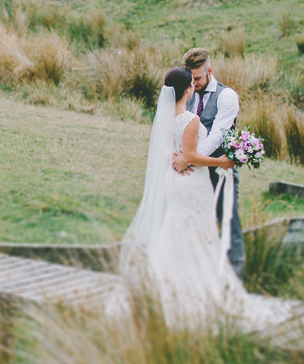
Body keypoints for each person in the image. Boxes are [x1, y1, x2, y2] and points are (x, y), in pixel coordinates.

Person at [111, 67, 288, 331]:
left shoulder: (165, 118)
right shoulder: (190, 120)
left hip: (174, 182)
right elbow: (192, 156)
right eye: (192, 84)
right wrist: (221, 162)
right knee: (196, 235)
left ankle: (164, 291)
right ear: (187, 90)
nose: (195, 86)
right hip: (192, 183)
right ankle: (194, 296)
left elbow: (174, 153)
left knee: (176, 233)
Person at [172, 48, 245, 278]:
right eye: (190, 79)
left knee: (227, 217)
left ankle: (235, 272)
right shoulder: (187, 92)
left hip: (219, 168)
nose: (194, 83)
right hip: (191, 174)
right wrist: (184, 159)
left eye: (198, 78)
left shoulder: (227, 96)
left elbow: (217, 135)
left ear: (210, 71)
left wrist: (189, 159)